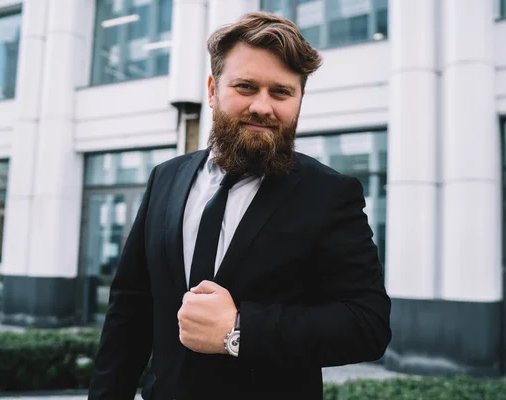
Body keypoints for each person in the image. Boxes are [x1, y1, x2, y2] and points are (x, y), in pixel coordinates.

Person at [88, 11, 391, 400]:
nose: (263, 107)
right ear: (213, 90)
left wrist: (239, 330)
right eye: (246, 87)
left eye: (281, 92)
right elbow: (129, 310)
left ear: (299, 100)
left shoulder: (330, 193)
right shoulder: (166, 177)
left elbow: (367, 326)